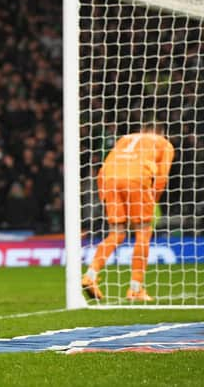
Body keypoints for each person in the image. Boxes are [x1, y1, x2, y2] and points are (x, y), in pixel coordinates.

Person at [82, 118, 174, 302]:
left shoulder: (124, 139)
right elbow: (162, 177)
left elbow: (103, 169)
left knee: (116, 233)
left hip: (110, 179)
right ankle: (135, 288)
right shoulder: (164, 143)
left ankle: (90, 276)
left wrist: (104, 197)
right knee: (143, 232)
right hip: (137, 179)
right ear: (161, 132)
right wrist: (152, 201)